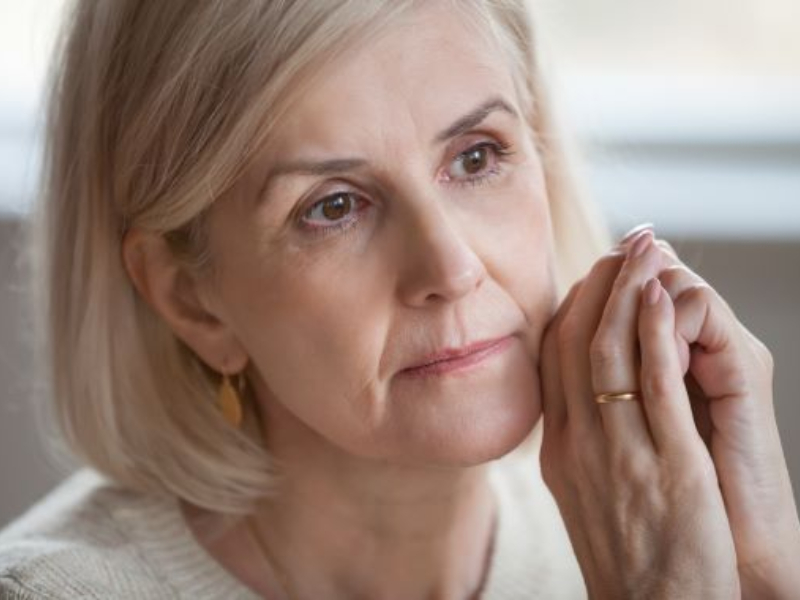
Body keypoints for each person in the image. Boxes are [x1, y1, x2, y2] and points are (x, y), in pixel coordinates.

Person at [1, 0, 798, 598]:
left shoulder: (644, 531)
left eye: (477, 157)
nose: (450, 268)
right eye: (334, 206)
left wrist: (758, 580)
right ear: (193, 302)